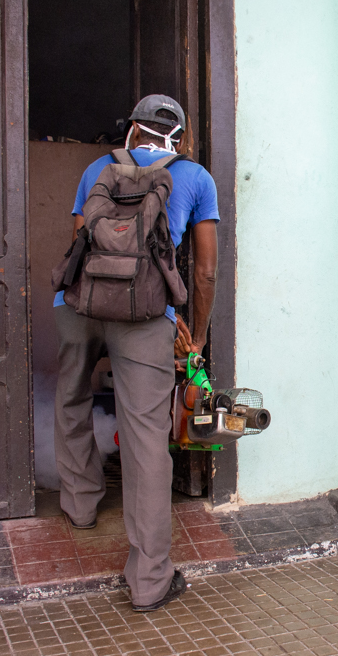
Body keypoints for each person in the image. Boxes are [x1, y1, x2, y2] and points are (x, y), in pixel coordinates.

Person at [53, 95, 219, 612]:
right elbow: (207, 269)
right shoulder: (195, 177)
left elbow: (80, 243)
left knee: (71, 398)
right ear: (181, 138)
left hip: (78, 307)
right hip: (146, 317)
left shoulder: (97, 169)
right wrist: (197, 331)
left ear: (132, 131)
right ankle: (149, 580)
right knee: (147, 438)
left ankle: (80, 506)